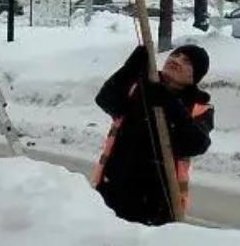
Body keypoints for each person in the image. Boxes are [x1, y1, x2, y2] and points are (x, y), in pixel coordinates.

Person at [91, 43, 214, 226]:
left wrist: (169, 103)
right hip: (113, 189)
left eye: (186, 61)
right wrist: (130, 68)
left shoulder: (199, 107)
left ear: (194, 76)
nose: (176, 60)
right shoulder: (140, 88)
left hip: (157, 202)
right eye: (175, 55)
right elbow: (106, 100)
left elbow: (195, 143)